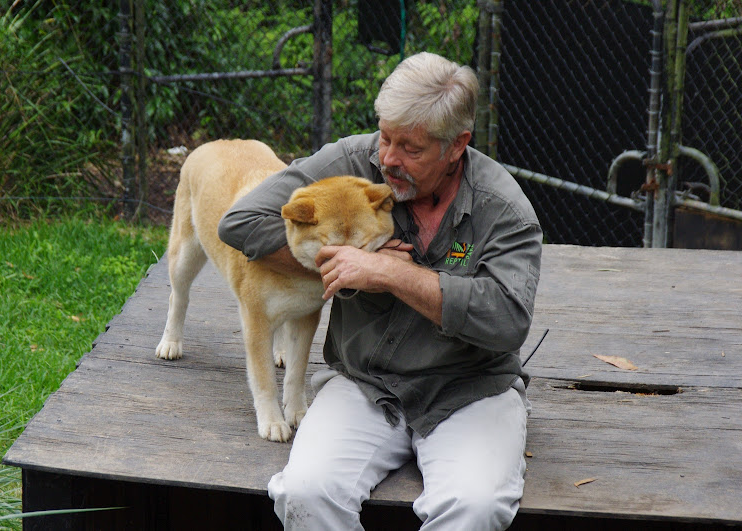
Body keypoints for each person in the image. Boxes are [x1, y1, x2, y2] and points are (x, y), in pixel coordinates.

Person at [218, 52, 542, 530]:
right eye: (386, 136)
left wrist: (390, 274)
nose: (388, 158)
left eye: (411, 148)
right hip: (364, 382)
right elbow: (240, 222)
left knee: (474, 506)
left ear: (457, 145)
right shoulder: (351, 161)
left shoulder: (504, 208)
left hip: (470, 389)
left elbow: (508, 320)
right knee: (305, 492)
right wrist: (336, 260)